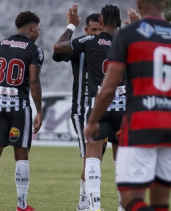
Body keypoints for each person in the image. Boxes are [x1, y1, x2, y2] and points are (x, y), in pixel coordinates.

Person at [84, 0, 171, 211]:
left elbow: (108, 88)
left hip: (140, 123)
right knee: (161, 203)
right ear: (165, 3)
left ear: (139, 3)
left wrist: (93, 121)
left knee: (131, 200)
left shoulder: (128, 35)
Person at [54, 3, 127, 211]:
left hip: (98, 106)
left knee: (92, 157)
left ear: (101, 22)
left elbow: (58, 47)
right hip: (122, 106)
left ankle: (94, 207)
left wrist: (70, 25)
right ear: (121, 23)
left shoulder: (90, 41)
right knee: (121, 160)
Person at [0, 11, 43, 211]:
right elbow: (33, 82)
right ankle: (21, 205)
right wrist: (39, 110)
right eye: (38, 29)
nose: (38, 33)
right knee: (21, 153)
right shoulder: (34, 50)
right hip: (19, 108)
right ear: (31, 28)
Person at [51, 13, 101, 211]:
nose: (97, 33)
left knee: (95, 159)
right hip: (82, 110)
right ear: (86, 31)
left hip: (104, 111)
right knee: (90, 158)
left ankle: (83, 202)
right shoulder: (78, 48)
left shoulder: (108, 48)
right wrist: (70, 26)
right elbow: (56, 54)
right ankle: (86, 204)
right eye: (93, 30)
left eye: (100, 29)